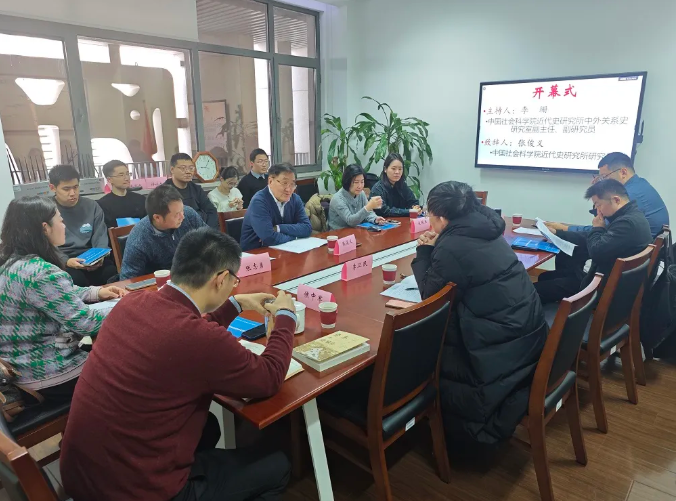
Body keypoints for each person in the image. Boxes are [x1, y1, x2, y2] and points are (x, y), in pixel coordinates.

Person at [61, 228, 295, 501]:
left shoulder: (132, 303)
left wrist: (236, 303)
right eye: (234, 281)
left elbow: (184, 333)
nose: (234, 286)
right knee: (278, 466)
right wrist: (286, 316)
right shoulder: (199, 338)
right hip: (135, 492)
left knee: (208, 426)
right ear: (221, 279)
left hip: (82, 475)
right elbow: (269, 377)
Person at [410, 181, 548, 448]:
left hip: (495, 355)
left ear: (442, 218)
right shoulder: (488, 229)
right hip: (527, 338)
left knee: (417, 345)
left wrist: (425, 251)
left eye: (429, 215)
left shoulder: (452, 246)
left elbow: (431, 298)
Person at [0, 197, 125, 402]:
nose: (64, 225)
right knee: (128, 364)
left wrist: (95, 293)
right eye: (60, 220)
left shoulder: (11, 262)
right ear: (45, 228)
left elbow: (55, 294)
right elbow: (86, 324)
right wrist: (125, 307)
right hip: (49, 372)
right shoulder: (41, 272)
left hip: (20, 365)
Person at [535, 179, 653, 304]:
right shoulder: (630, 216)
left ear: (616, 200)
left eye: (598, 204)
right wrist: (558, 233)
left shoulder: (626, 224)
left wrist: (597, 228)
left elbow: (596, 251)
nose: (597, 210)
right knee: (544, 277)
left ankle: (555, 314)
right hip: (606, 277)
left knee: (534, 290)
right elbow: (593, 237)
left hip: (601, 287)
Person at [547, 152, 669, 239]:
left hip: (629, 254)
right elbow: (603, 221)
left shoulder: (628, 196)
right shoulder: (640, 184)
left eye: (604, 176)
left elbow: (604, 229)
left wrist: (566, 228)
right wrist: (599, 194)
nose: (602, 181)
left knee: (570, 245)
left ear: (623, 172)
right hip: (639, 252)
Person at [49, 164, 117, 287]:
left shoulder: (91, 206)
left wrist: (99, 257)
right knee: (76, 279)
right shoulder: (46, 210)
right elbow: (44, 244)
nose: (72, 193)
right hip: (63, 258)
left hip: (90, 256)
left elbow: (100, 236)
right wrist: (66, 261)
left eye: (75, 187)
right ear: (53, 188)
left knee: (110, 272)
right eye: (66, 189)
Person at [120, 185, 206, 279]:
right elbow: (128, 278)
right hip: (158, 282)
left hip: (192, 276)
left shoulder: (189, 214)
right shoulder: (139, 238)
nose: (183, 216)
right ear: (157, 218)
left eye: (182, 210)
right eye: (176, 214)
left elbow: (211, 239)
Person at [240, 163, 312, 251]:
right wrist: (295, 237)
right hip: (256, 253)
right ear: (270, 181)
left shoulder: (295, 199)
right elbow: (269, 237)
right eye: (284, 183)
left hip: (284, 250)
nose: (288, 189)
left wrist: (279, 228)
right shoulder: (259, 201)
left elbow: (307, 228)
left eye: (292, 184)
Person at [164, 153, 219, 229]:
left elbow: (211, 211)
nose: (188, 172)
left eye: (191, 168)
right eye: (183, 168)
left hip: (200, 230)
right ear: (172, 169)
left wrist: (208, 231)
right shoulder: (163, 192)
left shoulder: (196, 189)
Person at [328, 164, 386, 230]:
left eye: (362, 182)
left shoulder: (361, 193)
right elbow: (350, 221)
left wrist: (375, 219)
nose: (360, 186)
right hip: (339, 233)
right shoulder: (337, 199)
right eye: (356, 182)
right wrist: (368, 206)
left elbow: (368, 212)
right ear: (347, 181)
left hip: (356, 231)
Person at [97, 159, 147, 228]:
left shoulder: (141, 199)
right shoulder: (102, 205)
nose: (126, 178)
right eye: (121, 175)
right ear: (109, 180)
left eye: (127, 174)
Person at [369, 153, 421, 217]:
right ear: (385, 169)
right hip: (382, 222)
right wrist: (409, 212)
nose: (397, 172)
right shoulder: (378, 189)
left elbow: (413, 202)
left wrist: (416, 208)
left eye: (400, 169)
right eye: (393, 169)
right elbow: (385, 211)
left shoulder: (402, 185)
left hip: (401, 221)